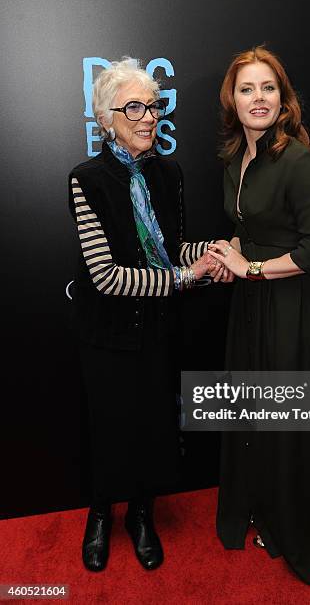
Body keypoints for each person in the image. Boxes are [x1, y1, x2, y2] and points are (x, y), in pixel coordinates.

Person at [68, 57, 230, 573]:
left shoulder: (169, 173)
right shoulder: (86, 180)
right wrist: (187, 278)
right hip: (108, 333)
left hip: (159, 330)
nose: (147, 117)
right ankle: (100, 515)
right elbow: (108, 277)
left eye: (153, 106)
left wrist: (218, 252)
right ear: (105, 117)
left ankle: (142, 516)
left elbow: (175, 248)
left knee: (153, 427)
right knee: (110, 426)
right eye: (133, 107)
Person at [208, 46, 310, 586]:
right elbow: (251, 228)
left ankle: (291, 524)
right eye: (246, 89)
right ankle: (258, 506)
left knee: (284, 422)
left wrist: (252, 267)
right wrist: (229, 254)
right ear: (232, 101)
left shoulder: (298, 159)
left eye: (268, 88)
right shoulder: (236, 157)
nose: (257, 98)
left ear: (283, 100)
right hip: (251, 309)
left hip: (288, 311)